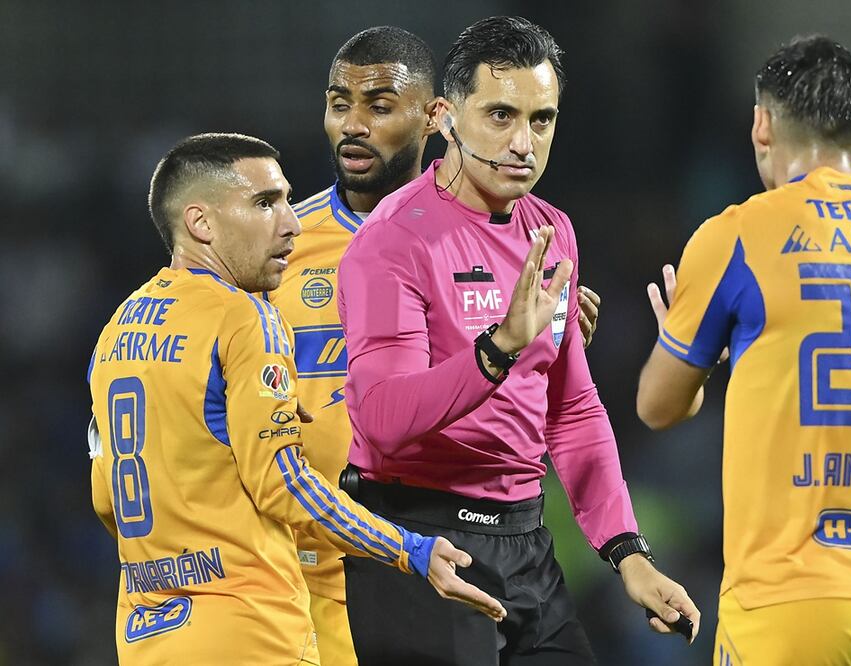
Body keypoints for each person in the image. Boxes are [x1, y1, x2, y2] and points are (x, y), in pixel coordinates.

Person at [335, 16, 700, 665]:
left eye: (541, 119)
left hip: (525, 546)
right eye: (500, 115)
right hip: (419, 543)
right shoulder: (394, 240)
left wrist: (628, 554)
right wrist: (498, 348)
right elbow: (382, 419)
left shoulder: (551, 232)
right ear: (446, 117)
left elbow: (573, 410)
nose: (523, 143)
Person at [87, 133, 506, 665]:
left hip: (148, 635)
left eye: (287, 200)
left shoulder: (115, 332)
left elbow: (107, 499)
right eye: (264, 203)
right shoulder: (244, 316)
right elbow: (285, 485)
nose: (291, 223)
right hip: (251, 633)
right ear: (201, 223)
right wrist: (410, 550)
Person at [636, 36, 851, 665]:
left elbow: (657, 408)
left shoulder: (738, 235)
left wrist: (696, 358)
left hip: (788, 598)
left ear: (762, 126)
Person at [269, 26, 603, 664]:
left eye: (379, 106)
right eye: (340, 104)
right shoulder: (277, 247)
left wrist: (550, 339)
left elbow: (553, 394)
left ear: (435, 119)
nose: (354, 125)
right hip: (302, 578)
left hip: (437, 548)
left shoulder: (517, 241)